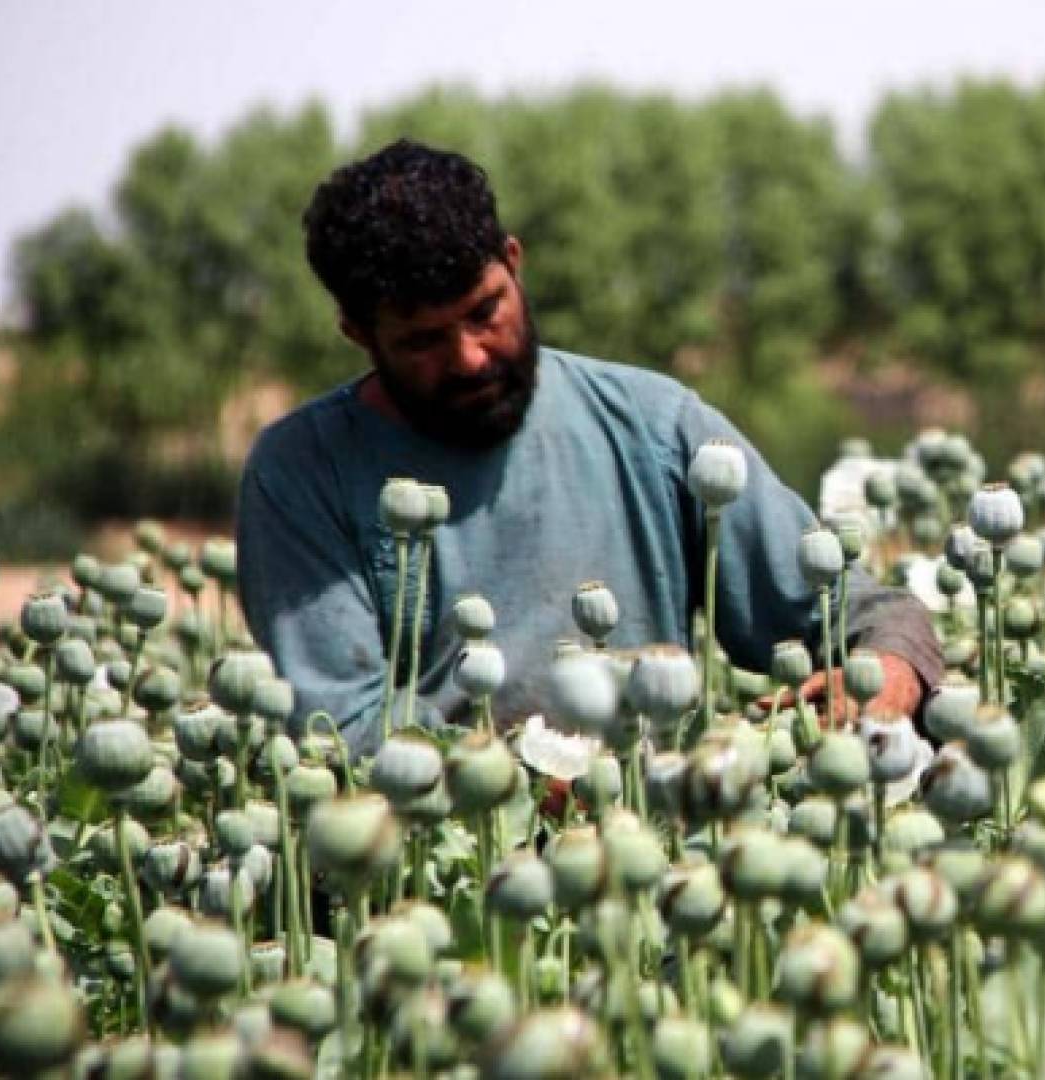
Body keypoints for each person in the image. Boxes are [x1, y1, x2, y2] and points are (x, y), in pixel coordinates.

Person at [236, 140, 941, 756]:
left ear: (514, 264)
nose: (471, 357)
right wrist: (536, 778)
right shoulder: (303, 473)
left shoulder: (654, 428)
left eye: (486, 312)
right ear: (358, 333)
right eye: (423, 340)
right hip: (437, 879)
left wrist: (890, 667)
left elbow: (856, 610)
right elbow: (343, 728)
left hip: (655, 848)